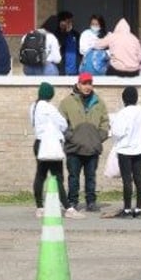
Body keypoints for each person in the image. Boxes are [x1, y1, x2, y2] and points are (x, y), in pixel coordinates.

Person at [29, 82, 83, 219]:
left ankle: (39, 207)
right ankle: (68, 208)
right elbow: (62, 124)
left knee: (40, 175)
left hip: (39, 143)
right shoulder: (49, 108)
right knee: (58, 176)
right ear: (50, 94)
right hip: (51, 144)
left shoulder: (33, 107)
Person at [59, 72, 110, 212]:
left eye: (90, 83)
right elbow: (60, 123)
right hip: (74, 148)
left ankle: (91, 202)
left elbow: (105, 122)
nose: (88, 86)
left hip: (92, 147)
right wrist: (71, 137)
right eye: (85, 83)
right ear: (78, 84)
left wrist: (99, 137)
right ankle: (72, 201)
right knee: (73, 177)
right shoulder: (67, 102)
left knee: (91, 177)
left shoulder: (99, 102)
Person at [110, 87, 141, 218]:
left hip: (125, 150)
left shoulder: (122, 113)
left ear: (123, 99)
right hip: (139, 150)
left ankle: (127, 209)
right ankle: (138, 209)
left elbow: (117, 132)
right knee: (138, 178)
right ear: (136, 98)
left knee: (127, 180)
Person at [54, 11, 81, 75]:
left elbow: (81, 49)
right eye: (67, 22)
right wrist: (66, 33)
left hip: (75, 70)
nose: (69, 24)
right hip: (61, 70)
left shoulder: (76, 34)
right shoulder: (55, 34)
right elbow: (60, 44)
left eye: (71, 22)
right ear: (61, 22)